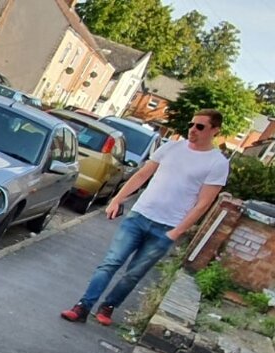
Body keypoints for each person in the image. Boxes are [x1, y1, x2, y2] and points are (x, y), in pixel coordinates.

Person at [61, 109, 230, 325]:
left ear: (215, 130)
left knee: (134, 273)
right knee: (110, 263)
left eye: (200, 126)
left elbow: (203, 204)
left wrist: (177, 232)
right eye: (191, 124)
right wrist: (117, 199)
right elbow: (142, 174)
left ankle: (109, 306)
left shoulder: (217, 163)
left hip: (167, 227)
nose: (192, 130)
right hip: (139, 215)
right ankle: (83, 306)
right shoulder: (171, 147)